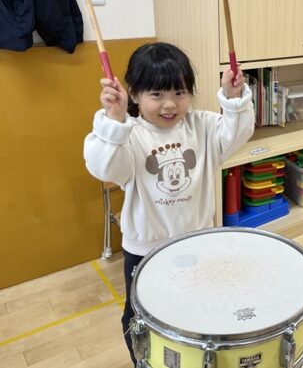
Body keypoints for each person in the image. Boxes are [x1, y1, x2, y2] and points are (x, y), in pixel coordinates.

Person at [83, 42, 254, 365]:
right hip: (145, 251)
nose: (170, 104)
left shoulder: (202, 126)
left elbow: (236, 133)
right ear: (134, 94)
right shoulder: (129, 134)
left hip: (198, 244)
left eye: (179, 92)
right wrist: (114, 121)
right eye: (157, 94)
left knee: (198, 308)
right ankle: (143, 361)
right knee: (141, 317)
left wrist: (233, 100)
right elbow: (105, 167)